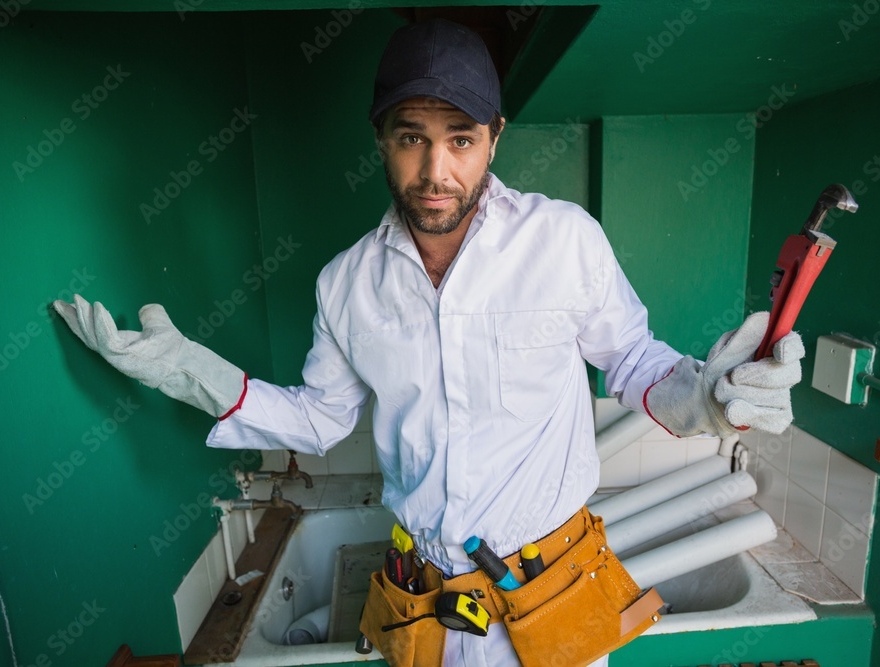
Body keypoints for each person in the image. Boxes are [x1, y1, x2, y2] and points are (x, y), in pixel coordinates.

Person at [53, 19, 803, 667]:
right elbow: (320, 418)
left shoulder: (564, 241)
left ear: (495, 136)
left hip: (551, 606)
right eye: (411, 138)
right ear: (381, 136)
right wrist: (186, 371)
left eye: (461, 140)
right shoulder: (344, 285)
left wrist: (709, 396)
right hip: (423, 610)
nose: (435, 172)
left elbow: (635, 362)